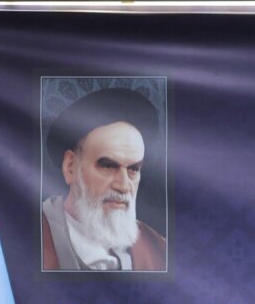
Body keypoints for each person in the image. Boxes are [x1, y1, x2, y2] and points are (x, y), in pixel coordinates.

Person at [42, 87, 166, 272]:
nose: (123, 186)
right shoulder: (29, 237)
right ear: (71, 167)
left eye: (133, 169)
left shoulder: (158, 249)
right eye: (108, 166)